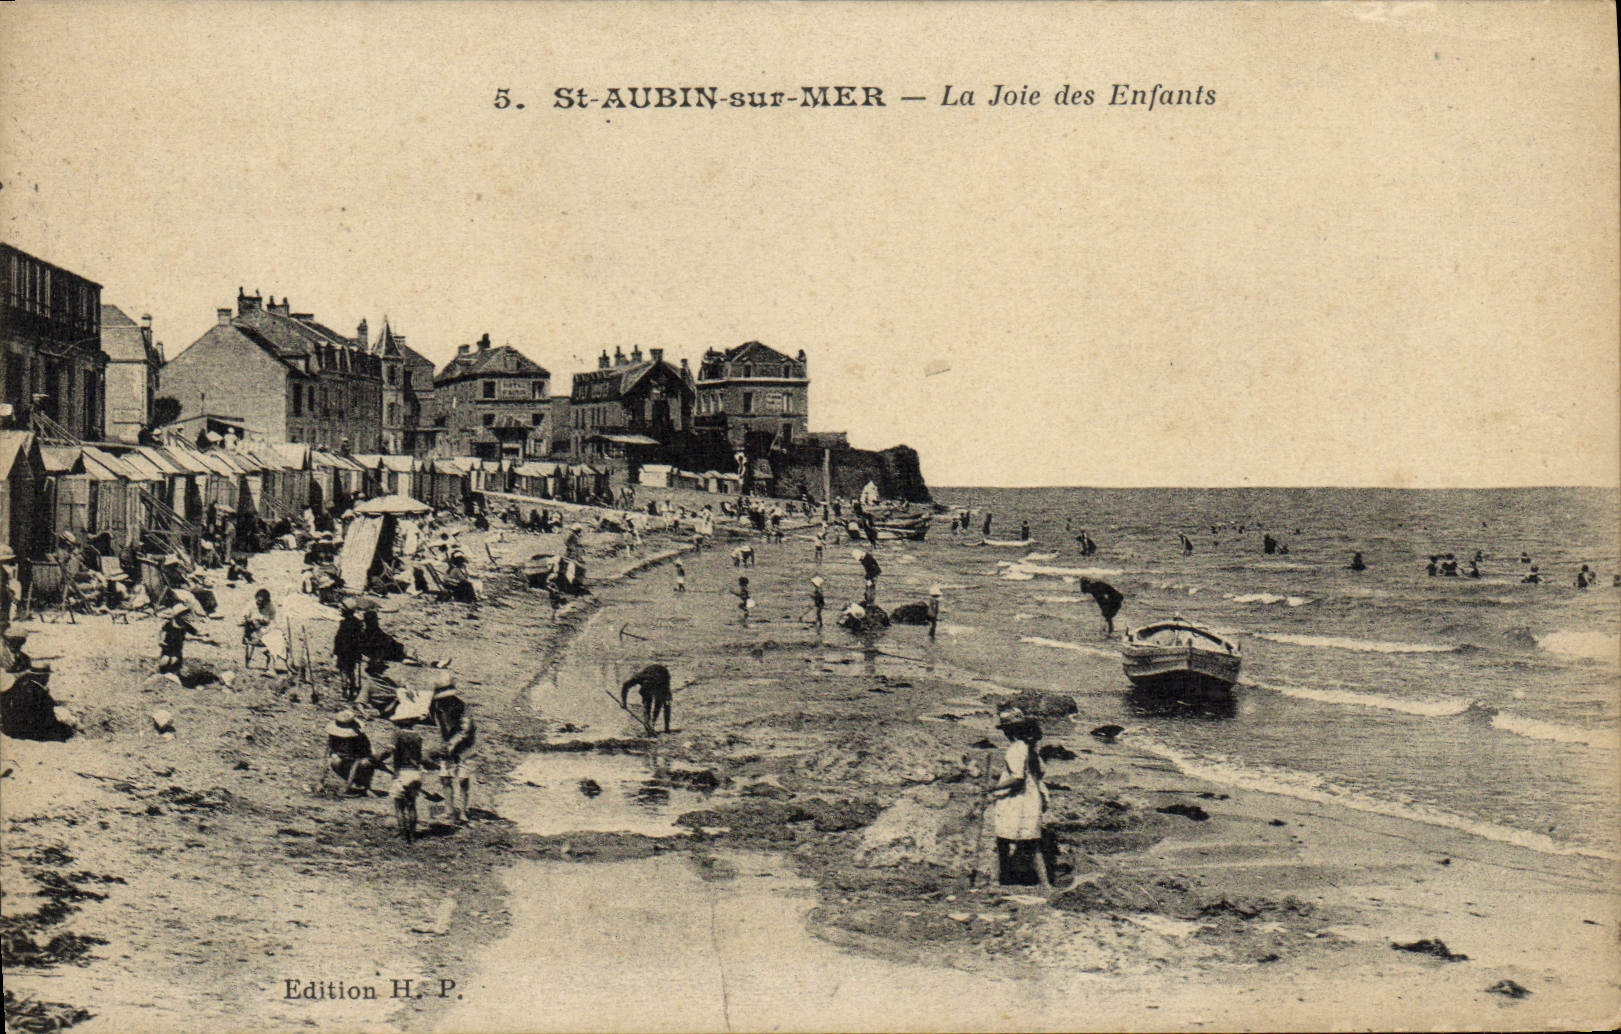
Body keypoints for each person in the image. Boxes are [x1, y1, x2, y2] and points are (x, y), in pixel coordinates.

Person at [989, 708, 1055, 889]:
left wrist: (993, 787)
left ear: (1009, 731)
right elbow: (1039, 773)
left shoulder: (1015, 749)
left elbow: (1017, 778)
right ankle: (1045, 884)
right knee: (1032, 843)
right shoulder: (1031, 749)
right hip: (1031, 799)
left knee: (1002, 841)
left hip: (1016, 800)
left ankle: (996, 881)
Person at [429, 674, 476, 823]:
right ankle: (449, 811)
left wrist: (453, 744)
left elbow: (466, 730)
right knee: (446, 778)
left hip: (464, 748)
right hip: (446, 745)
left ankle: (463, 811)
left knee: (463, 779)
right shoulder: (436, 706)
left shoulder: (462, 706)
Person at [388, 718, 425, 842]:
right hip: (416, 772)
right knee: (412, 805)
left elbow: (390, 751)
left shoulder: (397, 735)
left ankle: (403, 834)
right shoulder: (418, 736)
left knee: (399, 806)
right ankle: (413, 835)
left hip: (402, 772)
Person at [326, 710, 376, 795]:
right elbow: (328, 752)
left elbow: (358, 759)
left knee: (365, 763)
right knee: (334, 760)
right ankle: (351, 781)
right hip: (344, 761)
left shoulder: (360, 738)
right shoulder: (334, 736)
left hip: (359, 762)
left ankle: (365, 786)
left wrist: (347, 785)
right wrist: (321, 780)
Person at [620, 663, 673, 735]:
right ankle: (648, 725)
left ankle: (665, 728)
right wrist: (623, 701)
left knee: (665, 702)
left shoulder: (661, 684)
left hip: (663, 676)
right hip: (650, 680)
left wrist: (655, 723)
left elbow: (661, 705)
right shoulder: (639, 677)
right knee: (647, 704)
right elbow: (625, 685)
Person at [157, 604, 205, 674]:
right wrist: (161, 640)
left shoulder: (185, 625)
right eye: (183, 614)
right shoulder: (169, 624)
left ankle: (174, 673)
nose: (185, 616)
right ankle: (161, 672)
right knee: (165, 660)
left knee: (175, 660)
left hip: (177, 646)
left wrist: (202, 634)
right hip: (167, 645)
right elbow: (163, 631)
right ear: (177, 615)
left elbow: (194, 631)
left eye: (185, 614)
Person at [334, 600, 367, 701]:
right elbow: (361, 639)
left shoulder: (343, 624)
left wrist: (335, 651)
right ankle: (352, 689)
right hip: (353, 652)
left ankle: (345, 690)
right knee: (351, 670)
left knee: (343, 670)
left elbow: (338, 638)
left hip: (344, 651)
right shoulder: (358, 623)